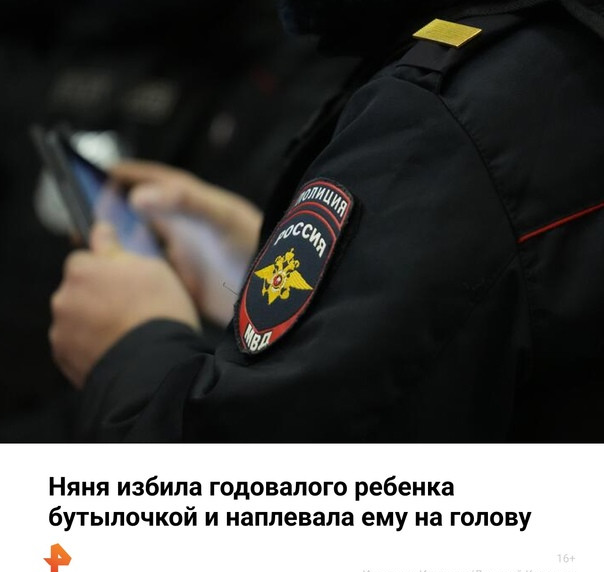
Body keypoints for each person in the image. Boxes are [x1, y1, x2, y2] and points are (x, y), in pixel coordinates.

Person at [51, 0, 604, 442]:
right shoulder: (549, 51)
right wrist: (257, 264)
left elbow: (260, 492)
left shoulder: (447, 110)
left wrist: (127, 346)